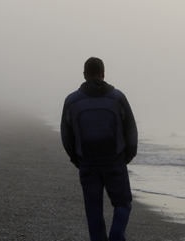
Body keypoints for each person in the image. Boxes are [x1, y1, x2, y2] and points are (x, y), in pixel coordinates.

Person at [61, 57, 138, 241]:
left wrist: (77, 159)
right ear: (103, 74)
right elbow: (131, 130)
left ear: (84, 75)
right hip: (115, 161)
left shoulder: (72, 101)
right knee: (122, 204)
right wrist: (126, 156)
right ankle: (116, 236)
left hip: (87, 163)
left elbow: (66, 136)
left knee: (94, 211)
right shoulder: (117, 97)